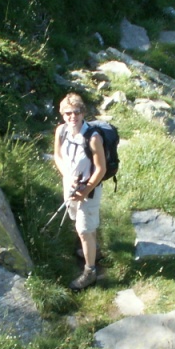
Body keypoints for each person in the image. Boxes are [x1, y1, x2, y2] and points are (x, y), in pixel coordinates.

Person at [53, 93, 106, 291]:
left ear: (83, 113)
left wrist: (85, 190)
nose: (72, 116)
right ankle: (94, 249)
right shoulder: (61, 131)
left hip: (89, 190)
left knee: (83, 230)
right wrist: (68, 176)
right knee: (78, 221)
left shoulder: (93, 138)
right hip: (70, 185)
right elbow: (58, 156)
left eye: (76, 112)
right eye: (68, 113)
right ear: (62, 114)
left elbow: (101, 169)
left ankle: (90, 272)